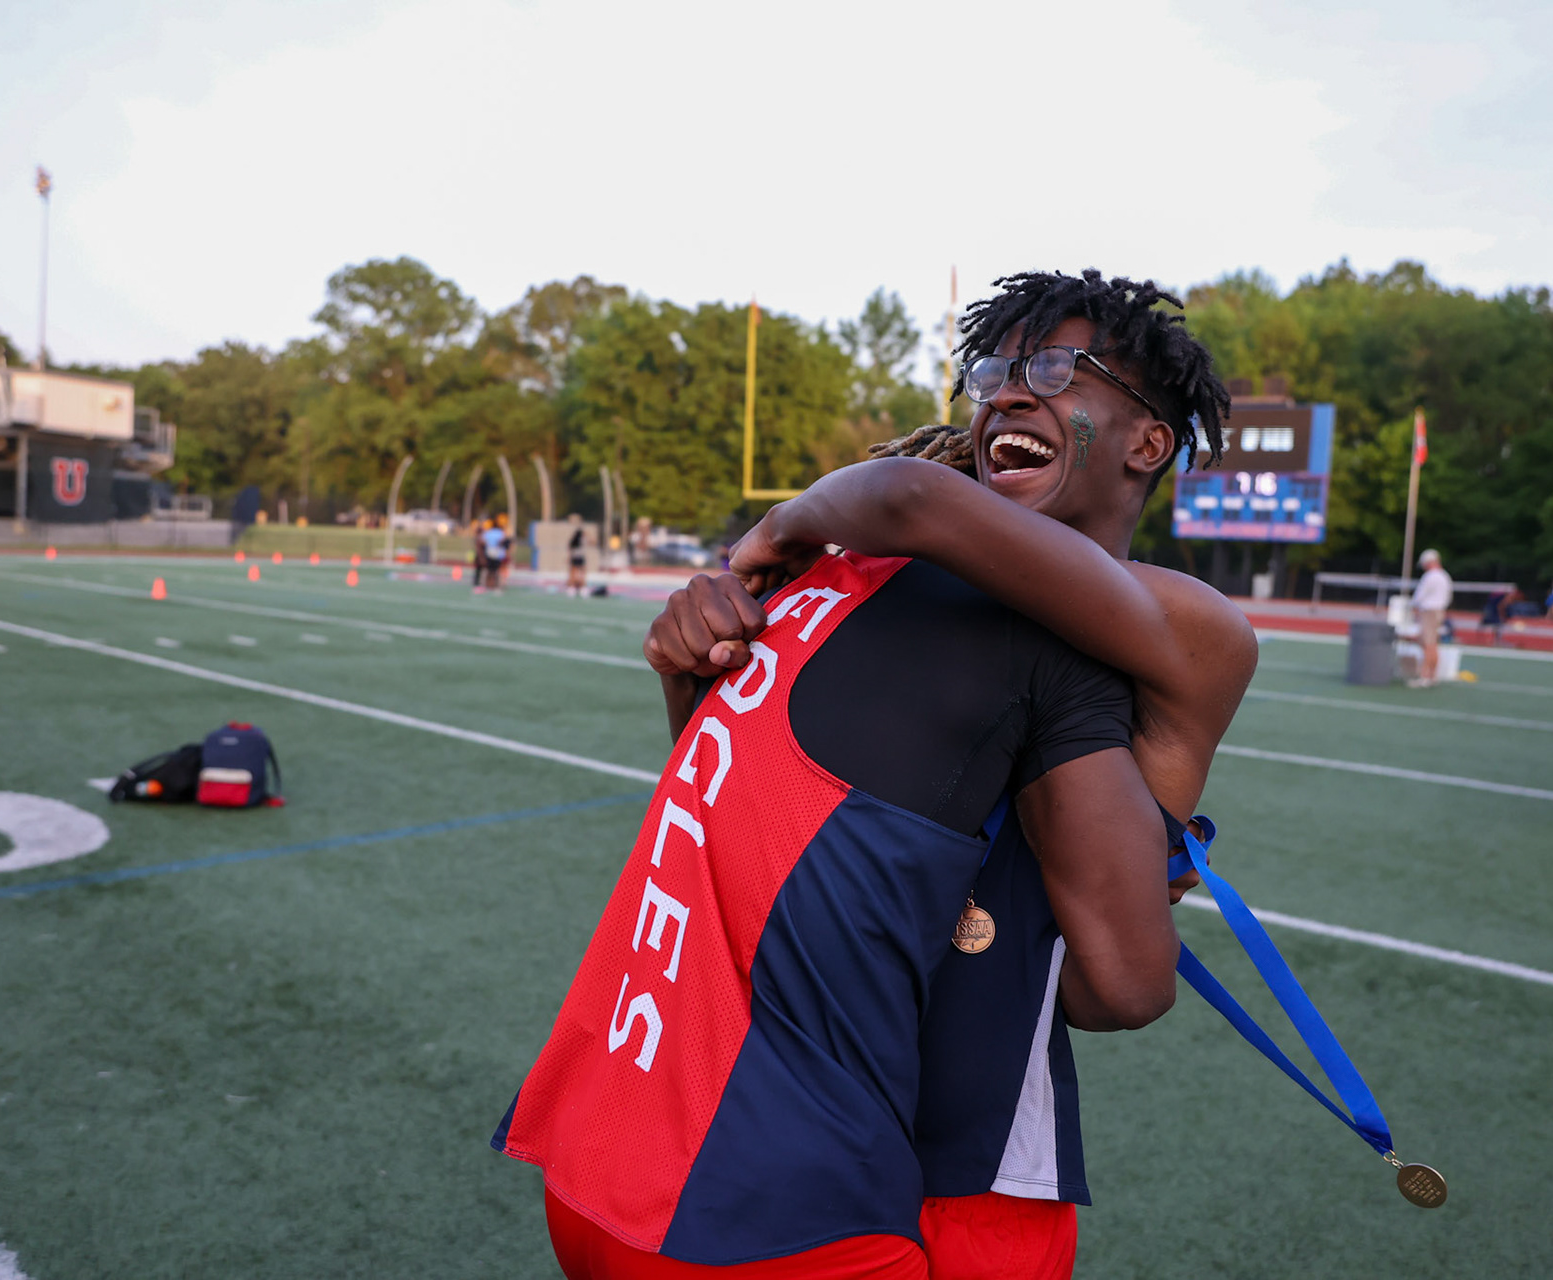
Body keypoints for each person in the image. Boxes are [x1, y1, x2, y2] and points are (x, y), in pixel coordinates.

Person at [724, 270, 1255, 1275]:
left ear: (1149, 443)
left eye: (1055, 369)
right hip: (787, 1121)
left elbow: (1105, 992)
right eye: (994, 373)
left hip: (972, 1164)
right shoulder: (895, 596)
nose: (1008, 392)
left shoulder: (1192, 626)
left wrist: (776, 528)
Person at [499, 539, 1185, 1273]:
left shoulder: (799, 587)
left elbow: (742, 830)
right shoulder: (1056, 637)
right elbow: (1124, 989)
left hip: (605, 1138)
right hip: (810, 1193)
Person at [1410, 549, 1452, 687]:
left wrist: (1413, 607)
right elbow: (1448, 597)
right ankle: (1432, 675)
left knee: (1428, 644)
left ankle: (1425, 676)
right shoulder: (1444, 576)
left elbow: (1419, 596)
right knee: (1433, 644)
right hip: (1438, 611)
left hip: (1429, 611)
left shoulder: (1430, 576)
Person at [480, 518, 510, 592]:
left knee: (489, 570)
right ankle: (496, 585)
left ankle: (487, 585)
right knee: (496, 571)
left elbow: (483, 541)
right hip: (497, 553)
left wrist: (489, 545)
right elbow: (502, 541)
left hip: (489, 552)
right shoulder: (500, 533)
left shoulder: (488, 532)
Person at [565, 516, 589, 597]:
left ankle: (573, 587)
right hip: (579, 557)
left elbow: (570, 550)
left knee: (574, 572)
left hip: (575, 557)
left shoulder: (575, 541)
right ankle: (579, 587)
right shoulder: (581, 540)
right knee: (581, 573)